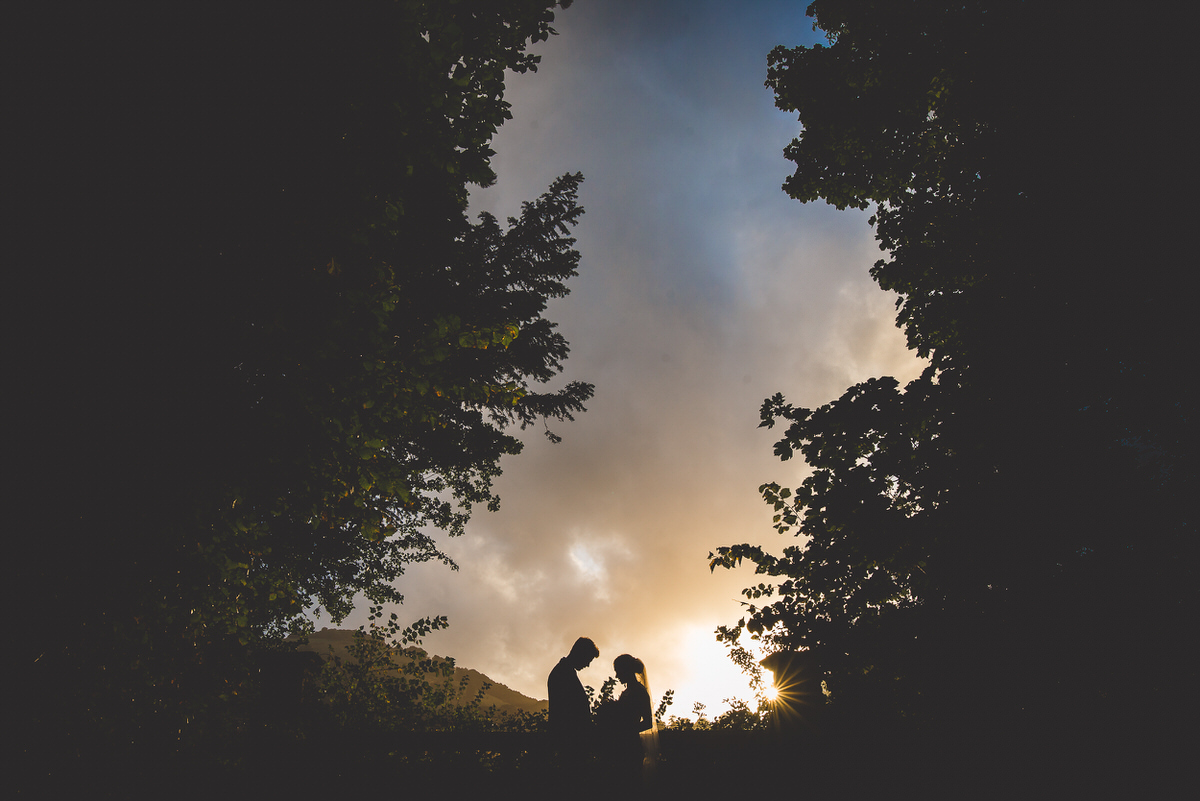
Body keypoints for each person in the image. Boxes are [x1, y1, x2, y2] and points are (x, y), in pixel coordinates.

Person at [595, 653, 657, 786]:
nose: (617, 676)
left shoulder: (640, 692)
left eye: (618, 672)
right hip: (620, 747)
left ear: (626, 670)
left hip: (631, 748)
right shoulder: (626, 692)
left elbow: (647, 723)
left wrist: (625, 731)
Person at [548, 637, 599, 764]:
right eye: (588, 660)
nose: (587, 665)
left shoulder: (565, 671)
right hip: (571, 742)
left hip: (572, 741)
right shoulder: (562, 673)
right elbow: (567, 711)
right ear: (581, 653)